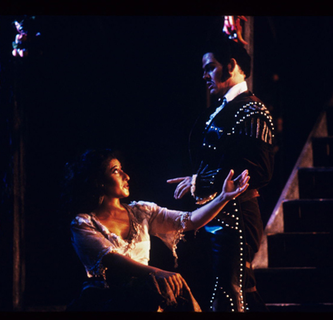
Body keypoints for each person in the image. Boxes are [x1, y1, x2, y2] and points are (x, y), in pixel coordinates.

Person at [62, 148, 251, 312]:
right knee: (158, 288)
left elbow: (190, 220)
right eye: (116, 171)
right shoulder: (83, 223)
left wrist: (224, 197)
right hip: (106, 297)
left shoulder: (142, 212)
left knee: (166, 289)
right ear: (99, 181)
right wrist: (157, 272)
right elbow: (112, 259)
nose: (126, 176)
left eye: (122, 170)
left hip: (146, 291)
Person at [167, 37, 275, 312]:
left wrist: (200, 181)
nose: (204, 75)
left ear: (232, 65)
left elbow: (260, 171)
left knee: (229, 296)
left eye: (210, 67)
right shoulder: (222, 109)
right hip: (218, 215)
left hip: (236, 217)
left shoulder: (252, 109)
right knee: (230, 294)